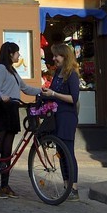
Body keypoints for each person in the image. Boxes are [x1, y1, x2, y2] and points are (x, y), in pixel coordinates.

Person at [0, 40, 41, 198]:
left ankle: (5, 185)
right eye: (17, 52)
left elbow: (25, 88)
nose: (19, 55)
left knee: (7, 150)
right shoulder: (1, 69)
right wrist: (2, 96)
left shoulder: (13, 71)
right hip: (0, 109)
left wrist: (41, 91)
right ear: (10, 54)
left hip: (11, 110)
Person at [41, 41, 81, 196]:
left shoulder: (72, 74)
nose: (54, 58)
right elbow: (53, 91)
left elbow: (73, 98)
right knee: (61, 152)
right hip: (57, 116)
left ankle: (74, 188)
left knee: (68, 152)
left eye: (56, 55)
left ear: (64, 56)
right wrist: (46, 93)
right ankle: (66, 187)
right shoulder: (58, 73)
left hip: (67, 117)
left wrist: (54, 94)